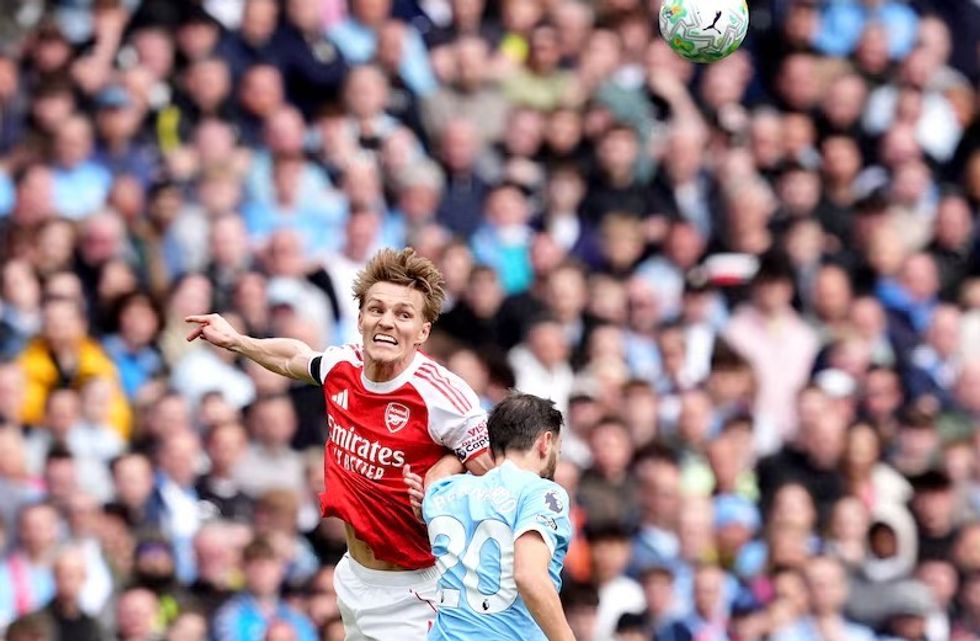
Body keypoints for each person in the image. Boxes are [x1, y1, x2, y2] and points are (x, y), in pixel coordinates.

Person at [185, 247, 493, 640]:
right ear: (360, 317)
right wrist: (236, 340)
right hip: (354, 577)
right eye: (376, 309)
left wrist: (443, 476)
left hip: (415, 589)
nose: (387, 322)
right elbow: (294, 358)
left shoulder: (442, 397)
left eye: (404, 314)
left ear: (423, 331)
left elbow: (498, 480)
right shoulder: (343, 366)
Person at [420, 392, 575, 641]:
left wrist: (465, 452)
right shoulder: (542, 493)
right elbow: (529, 576)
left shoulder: (444, 492)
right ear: (545, 442)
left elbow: (434, 478)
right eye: (559, 448)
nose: (558, 455)